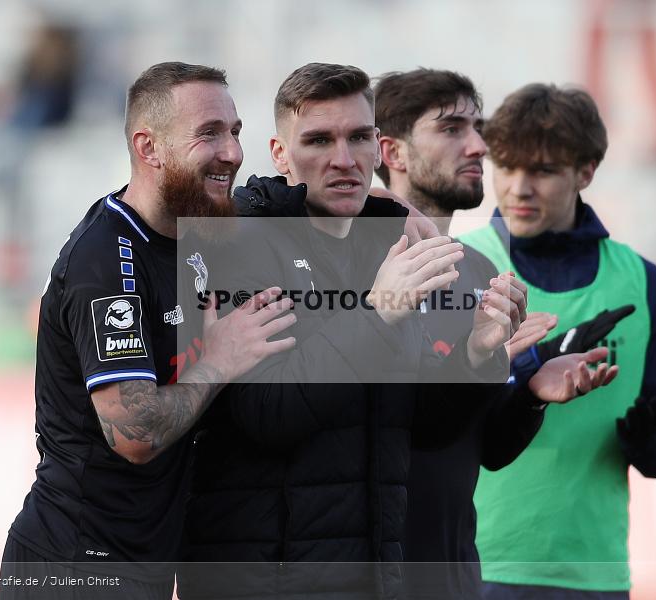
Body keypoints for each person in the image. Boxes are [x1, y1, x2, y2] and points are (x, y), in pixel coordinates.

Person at [177, 63, 615, 600]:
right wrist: (378, 311)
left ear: (377, 147)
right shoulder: (237, 242)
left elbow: (420, 431)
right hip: (266, 578)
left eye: (358, 137)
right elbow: (265, 413)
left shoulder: (391, 252)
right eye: (319, 140)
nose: (344, 158)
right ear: (279, 153)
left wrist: (478, 357)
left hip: (381, 573)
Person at [0, 62, 295, 600]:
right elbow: (134, 436)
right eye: (209, 134)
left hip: (142, 562)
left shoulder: (197, 223)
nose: (231, 151)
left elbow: (266, 197)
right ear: (149, 147)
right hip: (77, 566)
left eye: (235, 132)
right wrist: (220, 361)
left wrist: (388, 204)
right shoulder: (106, 263)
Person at [374, 68, 622, 600]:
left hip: (456, 572)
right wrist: (472, 357)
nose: (479, 146)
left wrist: (532, 397)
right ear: (392, 154)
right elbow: (402, 424)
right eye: (452, 128)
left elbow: (483, 447)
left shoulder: (479, 270)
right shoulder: (355, 264)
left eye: (478, 128)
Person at [460, 83, 656, 600]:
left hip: (592, 575)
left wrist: (651, 437)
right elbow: (428, 423)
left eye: (543, 171)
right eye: (507, 166)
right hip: (471, 565)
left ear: (585, 172)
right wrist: (526, 375)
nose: (519, 187)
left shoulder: (642, 283)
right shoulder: (460, 265)